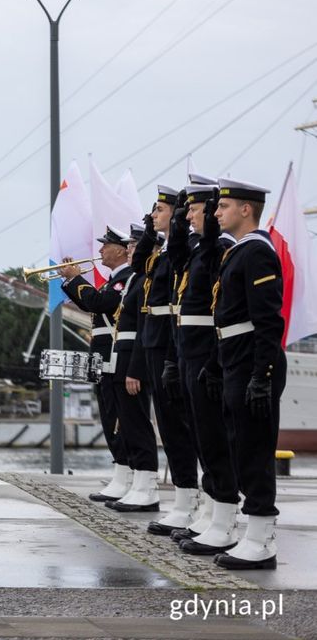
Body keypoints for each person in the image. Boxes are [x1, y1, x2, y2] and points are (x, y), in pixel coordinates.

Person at [203, 179, 287, 570]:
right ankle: (251, 534)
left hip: (253, 358)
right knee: (239, 445)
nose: (216, 213)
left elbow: (269, 320)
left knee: (254, 450)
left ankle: (262, 539)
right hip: (234, 357)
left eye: (223, 207)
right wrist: (217, 364)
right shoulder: (237, 253)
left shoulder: (257, 252)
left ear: (246, 210)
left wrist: (262, 374)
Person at [115, 186, 199, 521]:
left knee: (180, 427)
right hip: (153, 342)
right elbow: (137, 263)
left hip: (167, 342)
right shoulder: (159, 255)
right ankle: (185, 500)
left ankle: (191, 500)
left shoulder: (181, 250)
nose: (153, 215)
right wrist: (150, 232)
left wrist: (173, 227)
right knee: (168, 425)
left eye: (159, 211)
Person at [176, 183, 240, 553]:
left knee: (215, 437)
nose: (190, 217)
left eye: (196, 210)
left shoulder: (221, 249)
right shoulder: (197, 251)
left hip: (207, 352)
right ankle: (213, 512)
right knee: (201, 435)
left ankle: (225, 517)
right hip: (189, 350)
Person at [58, 227, 134, 502]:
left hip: (114, 356)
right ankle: (120, 473)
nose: (100, 251)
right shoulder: (112, 280)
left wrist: (76, 277)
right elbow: (92, 303)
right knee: (107, 414)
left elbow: (99, 303)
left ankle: (127, 475)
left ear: (121, 250)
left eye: (106, 246)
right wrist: (71, 280)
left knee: (116, 418)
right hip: (102, 356)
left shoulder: (124, 280)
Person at [105, 222, 162, 510]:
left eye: (134, 245)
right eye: (128, 245)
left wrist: (135, 370)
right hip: (122, 355)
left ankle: (147, 486)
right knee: (127, 423)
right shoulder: (136, 280)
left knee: (138, 424)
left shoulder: (145, 280)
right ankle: (138, 484)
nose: (129, 249)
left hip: (132, 360)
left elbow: (143, 328)